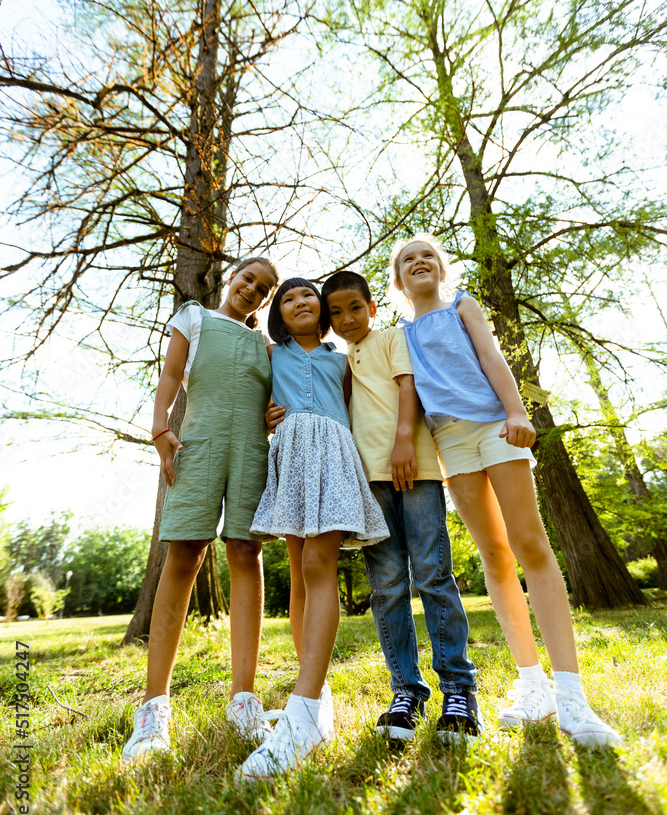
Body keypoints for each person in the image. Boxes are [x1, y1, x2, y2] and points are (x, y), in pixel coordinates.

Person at [391, 233, 623, 747]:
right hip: (450, 443)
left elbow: (494, 360)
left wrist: (517, 411)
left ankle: (572, 695)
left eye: (428, 255)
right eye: (408, 259)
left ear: (441, 269)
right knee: (494, 557)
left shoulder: (462, 306)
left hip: (496, 428)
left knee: (530, 544)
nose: (420, 261)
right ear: (399, 280)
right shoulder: (399, 334)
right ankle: (532, 683)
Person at [122, 256, 280, 762]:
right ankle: (153, 709)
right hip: (199, 445)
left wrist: (273, 413)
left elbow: (272, 398)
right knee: (184, 553)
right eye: (247, 279)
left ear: (266, 300)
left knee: (245, 553)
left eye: (263, 289)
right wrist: (160, 431)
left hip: (252, 451)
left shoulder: (266, 345)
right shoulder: (194, 318)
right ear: (232, 277)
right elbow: (170, 377)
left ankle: (244, 699)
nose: (251, 290)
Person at [317, 270, 481, 744]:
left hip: (415, 468)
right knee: (387, 585)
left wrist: (404, 441)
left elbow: (409, 389)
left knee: (432, 572)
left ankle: (458, 688)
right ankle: (405, 691)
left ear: (372, 306)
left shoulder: (393, 337)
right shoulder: (342, 362)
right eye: (336, 313)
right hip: (369, 480)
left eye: (355, 307)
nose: (347, 318)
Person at [237, 277, 389, 780]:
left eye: (308, 296)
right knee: (300, 572)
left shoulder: (339, 357)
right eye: (288, 298)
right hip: (289, 454)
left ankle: (305, 710)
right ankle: (315, 692)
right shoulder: (270, 352)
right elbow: (253, 402)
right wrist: (264, 417)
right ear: (278, 312)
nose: (299, 302)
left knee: (318, 564)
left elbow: (353, 404)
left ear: (321, 310)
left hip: (330, 452)